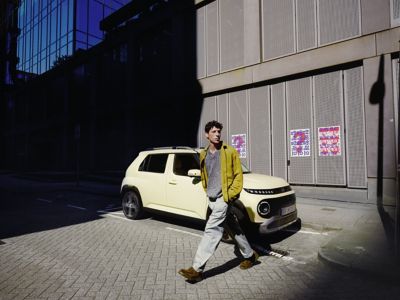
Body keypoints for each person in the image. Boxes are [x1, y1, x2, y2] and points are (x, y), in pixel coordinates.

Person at [178, 120, 258, 282]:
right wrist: (207, 190)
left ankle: (197, 269)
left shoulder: (229, 152)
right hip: (212, 198)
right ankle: (250, 255)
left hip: (224, 198)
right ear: (207, 135)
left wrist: (230, 195)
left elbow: (238, 176)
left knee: (212, 230)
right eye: (213, 132)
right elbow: (205, 174)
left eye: (219, 132)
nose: (217, 134)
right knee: (233, 228)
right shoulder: (204, 153)